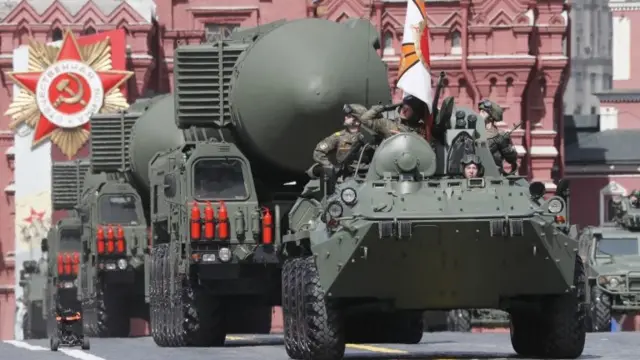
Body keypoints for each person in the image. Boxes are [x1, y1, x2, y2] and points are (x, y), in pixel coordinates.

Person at [312, 104, 367, 169]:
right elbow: (318, 152)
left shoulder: (368, 135)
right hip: (348, 175)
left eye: (349, 116)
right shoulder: (339, 136)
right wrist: (330, 167)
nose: (345, 117)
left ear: (358, 121)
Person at [478, 99, 518, 175]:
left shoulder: (501, 134)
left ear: (491, 115)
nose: (480, 114)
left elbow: (512, 159)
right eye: (479, 111)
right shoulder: (475, 133)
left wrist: (504, 146)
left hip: (495, 176)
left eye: (483, 112)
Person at [359, 95, 428, 139]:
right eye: (403, 108)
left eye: (407, 110)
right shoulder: (388, 124)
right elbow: (364, 119)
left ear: (416, 114)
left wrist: (405, 137)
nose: (403, 111)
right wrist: (384, 107)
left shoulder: (423, 129)